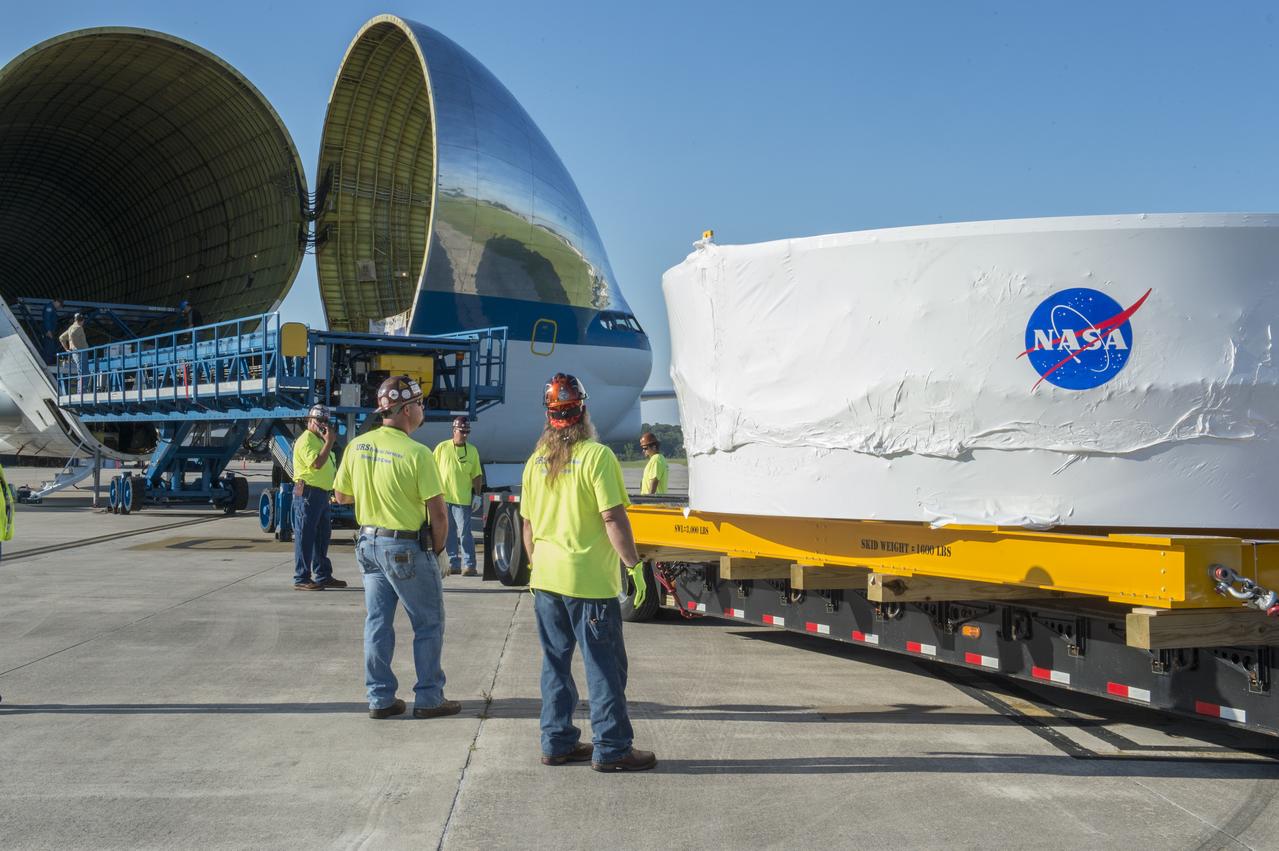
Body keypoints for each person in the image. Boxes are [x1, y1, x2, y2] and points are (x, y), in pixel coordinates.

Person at [521, 372, 656, 772]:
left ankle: (557, 741)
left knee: (555, 665)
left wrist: (537, 568)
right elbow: (613, 519)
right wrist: (635, 567)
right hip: (589, 584)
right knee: (604, 665)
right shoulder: (597, 457)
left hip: (545, 581)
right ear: (583, 410)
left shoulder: (534, 463)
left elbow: (527, 528)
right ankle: (613, 748)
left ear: (549, 417)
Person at [334, 375, 461, 720]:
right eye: (419, 404)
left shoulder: (358, 445)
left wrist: (377, 492)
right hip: (404, 548)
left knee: (377, 623)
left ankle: (380, 698)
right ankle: (430, 697)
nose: (422, 410)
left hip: (368, 544)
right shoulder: (418, 453)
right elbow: (439, 514)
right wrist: (438, 552)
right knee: (428, 623)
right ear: (405, 409)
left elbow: (341, 495)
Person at [291, 404, 344, 591]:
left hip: (321, 493)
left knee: (322, 536)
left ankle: (323, 574)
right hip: (308, 492)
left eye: (325, 421)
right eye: (319, 421)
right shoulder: (306, 440)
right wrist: (329, 441)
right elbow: (317, 464)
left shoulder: (319, 440)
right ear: (309, 421)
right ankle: (301, 577)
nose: (322, 424)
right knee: (305, 535)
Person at [432, 415, 483, 576]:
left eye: (467, 432)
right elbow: (432, 471)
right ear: (454, 430)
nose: (465, 435)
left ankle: (470, 565)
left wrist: (477, 495)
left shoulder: (472, 451)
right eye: (462, 431)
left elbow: (477, 475)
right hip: (444, 499)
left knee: (464, 533)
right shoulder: (442, 448)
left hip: (462, 500)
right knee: (449, 533)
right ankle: (453, 563)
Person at [58, 312, 88, 391]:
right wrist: (77, 347)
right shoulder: (78, 327)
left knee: (80, 371)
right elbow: (73, 335)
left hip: (75, 353)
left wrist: (67, 349)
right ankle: (82, 391)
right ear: (81, 320)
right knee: (84, 372)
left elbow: (61, 338)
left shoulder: (70, 328)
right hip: (81, 352)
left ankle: (80, 390)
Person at [639, 431, 668, 496]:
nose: (643, 451)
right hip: (650, 502)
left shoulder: (656, 459)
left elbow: (654, 481)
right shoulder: (656, 459)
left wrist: (650, 499)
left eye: (645, 448)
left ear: (654, 447)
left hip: (653, 503)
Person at [42, 298, 64, 363]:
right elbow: (47, 319)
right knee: (49, 348)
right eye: (59, 305)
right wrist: (48, 330)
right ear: (56, 301)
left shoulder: (53, 309)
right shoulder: (49, 307)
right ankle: (47, 363)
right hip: (49, 332)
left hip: (51, 331)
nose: (59, 307)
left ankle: (49, 362)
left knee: (51, 347)